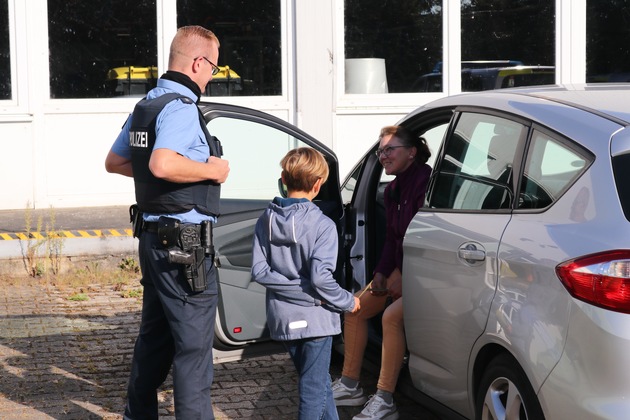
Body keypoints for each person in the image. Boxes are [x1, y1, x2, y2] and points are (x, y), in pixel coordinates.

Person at [104, 25, 230, 419]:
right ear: (198, 63)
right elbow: (161, 162)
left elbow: (118, 162)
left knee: (154, 340)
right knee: (193, 352)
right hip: (186, 246)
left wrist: (164, 174)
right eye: (214, 67)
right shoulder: (180, 108)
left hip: (154, 243)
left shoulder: (148, 105)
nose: (212, 75)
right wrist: (212, 171)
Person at [251, 147, 361, 420]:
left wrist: (299, 293)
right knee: (312, 392)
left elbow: (260, 271)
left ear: (283, 179)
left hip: (284, 318)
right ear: (317, 184)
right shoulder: (323, 225)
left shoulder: (266, 219)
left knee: (319, 383)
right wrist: (347, 300)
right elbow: (320, 279)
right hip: (316, 320)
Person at [332, 126, 432, 420]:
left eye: (390, 149)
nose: (383, 156)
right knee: (354, 308)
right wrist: (382, 271)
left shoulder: (425, 182)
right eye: (380, 151)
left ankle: (385, 398)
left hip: (425, 275)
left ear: (412, 152)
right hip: (400, 269)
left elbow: (421, 236)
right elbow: (392, 237)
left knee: (390, 317)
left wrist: (402, 271)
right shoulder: (392, 190)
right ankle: (351, 385)